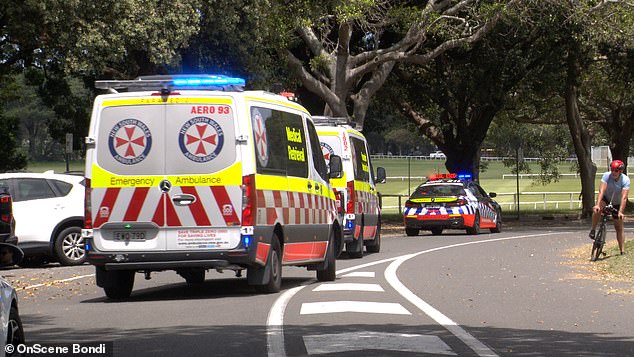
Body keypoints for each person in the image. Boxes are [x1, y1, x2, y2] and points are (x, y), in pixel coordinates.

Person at [589, 159, 630, 255]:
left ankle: (622, 250)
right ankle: (593, 229)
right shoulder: (607, 176)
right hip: (606, 198)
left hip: (617, 202)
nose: (613, 172)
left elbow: (624, 197)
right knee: (597, 210)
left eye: (616, 171)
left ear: (620, 171)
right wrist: (597, 204)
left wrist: (620, 212)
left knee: (619, 226)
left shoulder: (625, 180)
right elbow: (601, 191)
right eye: (612, 170)